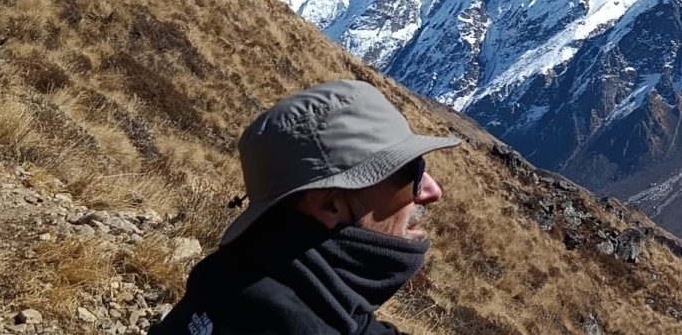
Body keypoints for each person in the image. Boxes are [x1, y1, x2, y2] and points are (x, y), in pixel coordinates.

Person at [150, 79, 460, 335]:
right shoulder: (292, 318)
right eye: (410, 173)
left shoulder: (250, 269)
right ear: (331, 204)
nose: (433, 190)